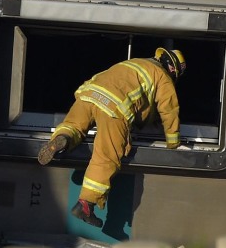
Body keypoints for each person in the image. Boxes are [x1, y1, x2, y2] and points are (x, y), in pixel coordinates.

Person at [37, 47, 186, 227]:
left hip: (89, 93)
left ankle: (64, 139)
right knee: (106, 156)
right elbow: (169, 110)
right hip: (114, 107)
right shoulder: (162, 76)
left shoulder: (134, 63)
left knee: (73, 126)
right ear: (173, 69)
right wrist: (173, 142)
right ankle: (86, 204)